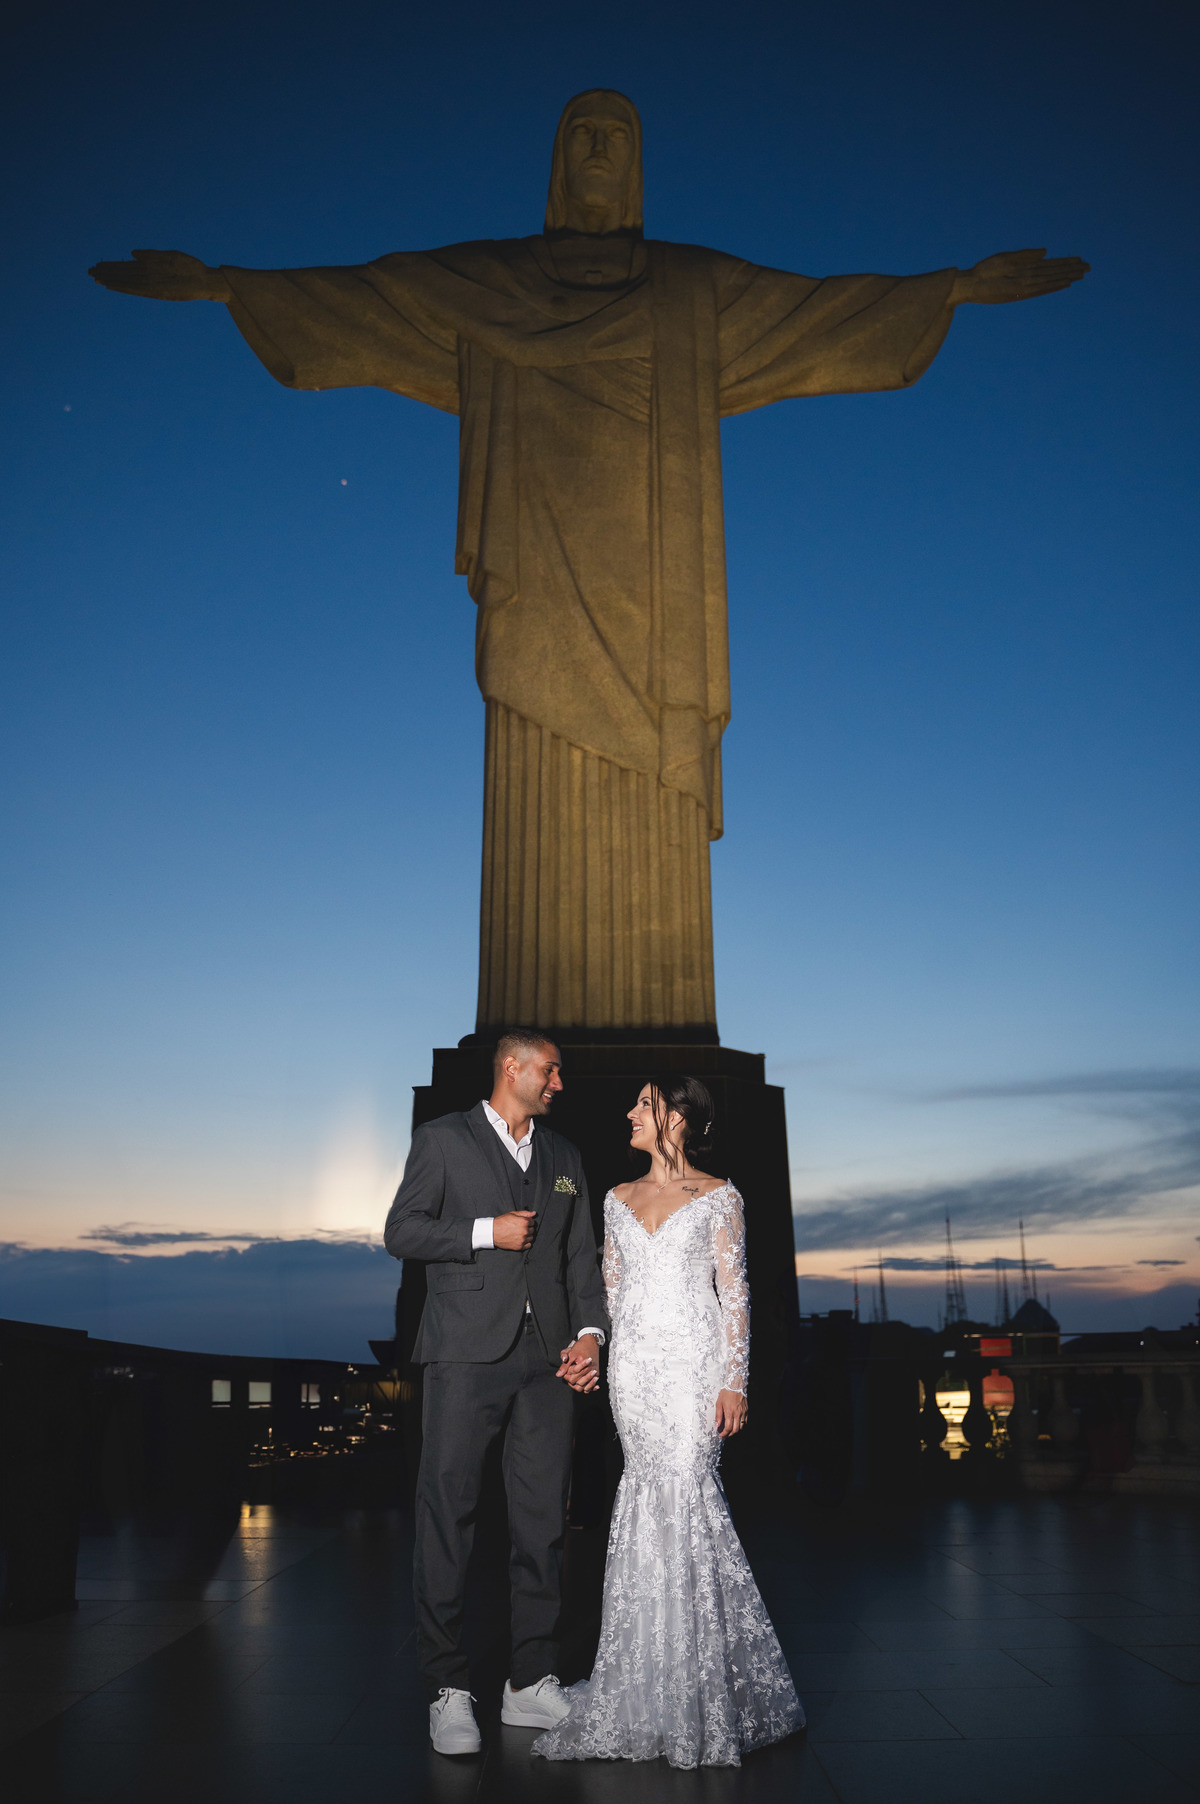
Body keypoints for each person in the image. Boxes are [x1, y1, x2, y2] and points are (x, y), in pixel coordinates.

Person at [532, 1075, 804, 1768]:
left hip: (694, 1367)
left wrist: (733, 1380)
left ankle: (701, 1694)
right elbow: (610, 1293)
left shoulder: (720, 1196)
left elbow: (735, 1293)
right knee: (645, 1501)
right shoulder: (617, 1199)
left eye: (643, 1105)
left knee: (688, 1496)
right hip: (636, 1373)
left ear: (677, 1118)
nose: (628, 1112)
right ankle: (641, 1686)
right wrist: (593, 1348)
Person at [383, 1029, 608, 1755]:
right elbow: (401, 1230)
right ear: (512, 1068)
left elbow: (582, 1262)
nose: (559, 1083)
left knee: (542, 1522)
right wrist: (485, 1231)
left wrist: (591, 1336)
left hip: (548, 1365)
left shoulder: (567, 1159)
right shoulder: (443, 1140)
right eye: (551, 1070)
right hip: (462, 1355)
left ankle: (529, 1683)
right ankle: (447, 1687)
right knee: (450, 1513)